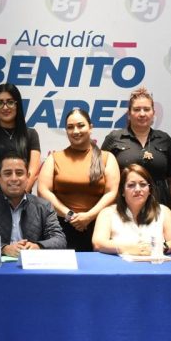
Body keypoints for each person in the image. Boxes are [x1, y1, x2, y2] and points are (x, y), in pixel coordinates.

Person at [38, 108, 120, 251]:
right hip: (60, 228)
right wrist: (69, 215)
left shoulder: (107, 158)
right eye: (70, 127)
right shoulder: (54, 158)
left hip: (98, 228)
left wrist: (89, 216)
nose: (75, 131)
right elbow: (43, 191)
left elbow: (112, 193)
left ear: (90, 127)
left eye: (81, 125)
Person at [0, 152, 66, 256]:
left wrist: (38, 247)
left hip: (32, 263)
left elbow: (59, 239)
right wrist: (3, 249)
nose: (14, 178)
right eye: (7, 173)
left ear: (27, 177)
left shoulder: (44, 206)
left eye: (19, 173)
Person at [102, 87, 171, 213]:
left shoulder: (164, 139)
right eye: (137, 109)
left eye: (146, 109)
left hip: (159, 210)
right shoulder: (114, 138)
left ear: (153, 113)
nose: (142, 114)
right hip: (123, 210)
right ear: (129, 113)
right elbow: (102, 178)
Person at [92, 164, 171, 256]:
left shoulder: (163, 211)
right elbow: (98, 244)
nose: (137, 189)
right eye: (131, 185)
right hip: (121, 264)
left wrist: (159, 247)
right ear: (122, 191)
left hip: (155, 264)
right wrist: (129, 249)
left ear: (149, 190)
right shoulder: (107, 213)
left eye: (143, 184)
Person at [0, 83, 41, 196]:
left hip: (22, 201)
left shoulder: (31, 134)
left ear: (17, 105)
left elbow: (33, 173)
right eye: (0, 103)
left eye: (10, 102)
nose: (5, 107)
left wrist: (18, 201)